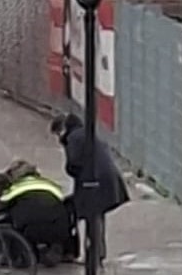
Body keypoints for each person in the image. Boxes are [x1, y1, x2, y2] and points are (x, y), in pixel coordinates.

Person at [51, 113, 129, 264]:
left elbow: (74, 163)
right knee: (96, 215)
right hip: (105, 178)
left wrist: (70, 168)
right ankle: (98, 252)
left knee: (90, 215)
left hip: (93, 180)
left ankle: (91, 254)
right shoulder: (85, 133)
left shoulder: (73, 138)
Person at [0, 160, 76, 266]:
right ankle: (60, 249)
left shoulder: (15, 187)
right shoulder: (49, 184)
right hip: (60, 229)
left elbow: (2, 204)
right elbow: (62, 201)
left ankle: (22, 256)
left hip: (31, 230)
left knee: (12, 222)